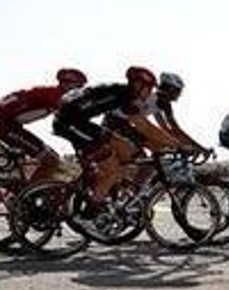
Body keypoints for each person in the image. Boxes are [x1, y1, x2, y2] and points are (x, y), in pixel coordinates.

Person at [50, 66, 160, 207]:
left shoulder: (121, 91)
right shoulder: (125, 95)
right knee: (111, 171)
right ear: (138, 85)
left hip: (79, 121)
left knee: (125, 147)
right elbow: (144, 126)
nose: (151, 92)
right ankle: (91, 212)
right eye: (149, 87)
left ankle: (106, 188)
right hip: (70, 123)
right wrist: (177, 145)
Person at [0, 68, 87, 183]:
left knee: (53, 159)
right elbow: (74, 120)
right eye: (79, 88)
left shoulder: (51, 92)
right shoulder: (57, 96)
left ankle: (26, 189)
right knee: (50, 161)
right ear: (66, 84)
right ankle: (27, 196)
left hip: (9, 125)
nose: (80, 92)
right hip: (5, 126)